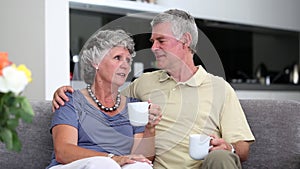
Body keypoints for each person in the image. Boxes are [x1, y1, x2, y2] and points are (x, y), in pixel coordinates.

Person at [52, 9, 255, 169]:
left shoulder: (220, 88)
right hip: (150, 167)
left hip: (204, 165)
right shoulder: (144, 83)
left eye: (161, 41)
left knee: (221, 157)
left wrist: (228, 147)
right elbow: (105, 104)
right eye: (152, 42)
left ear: (185, 41)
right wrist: (65, 93)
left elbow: (243, 148)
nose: (154, 47)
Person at [46, 29, 162, 169]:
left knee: (141, 166)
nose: (125, 65)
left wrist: (150, 129)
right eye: (118, 58)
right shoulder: (70, 100)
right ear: (96, 62)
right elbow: (63, 152)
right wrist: (112, 158)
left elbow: (142, 157)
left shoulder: (134, 106)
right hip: (74, 165)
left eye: (128, 60)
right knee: (103, 164)